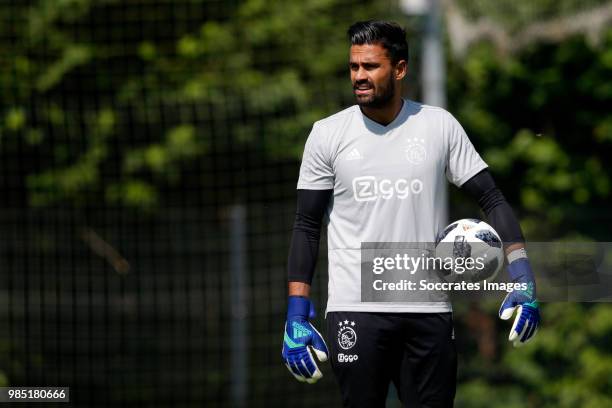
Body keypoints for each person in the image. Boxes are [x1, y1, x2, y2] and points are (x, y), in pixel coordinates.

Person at [281, 20, 540, 407]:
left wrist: (521, 274)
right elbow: (306, 226)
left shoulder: (439, 126)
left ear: (400, 69)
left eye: (371, 67)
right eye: (354, 67)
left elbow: (492, 198)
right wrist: (296, 313)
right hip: (356, 310)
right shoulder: (326, 135)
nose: (359, 76)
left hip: (428, 309)